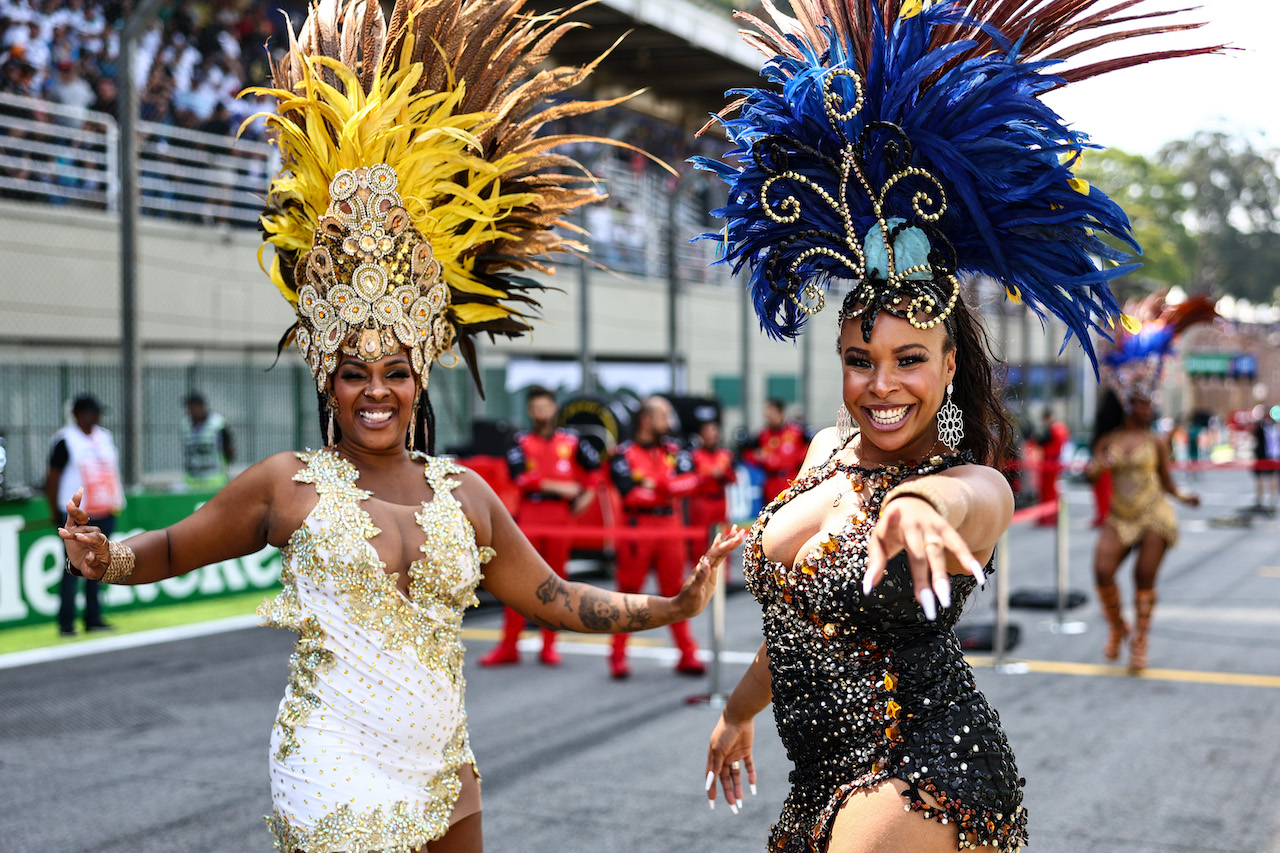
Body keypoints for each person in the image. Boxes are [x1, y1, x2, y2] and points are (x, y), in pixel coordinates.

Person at [58, 3, 746, 851]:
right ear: (329, 379)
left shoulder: (469, 495)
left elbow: (558, 599)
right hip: (328, 763)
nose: (374, 392)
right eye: (354, 373)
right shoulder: (287, 484)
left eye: (394, 372)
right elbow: (176, 547)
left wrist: (669, 603)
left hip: (443, 764)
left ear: (422, 376)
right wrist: (110, 556)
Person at [692, 1, 1220, 849]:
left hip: (923, 776)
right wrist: (733, 713)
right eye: (862, 357)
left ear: (947, 367)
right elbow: (797, 633)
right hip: (818, 780)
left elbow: (954, 501)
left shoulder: (977, 485)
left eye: (909, 359)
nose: (883, 382)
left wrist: (915, 511)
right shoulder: (825, 454)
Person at [479, 385, 601, 667]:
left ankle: (549, 645)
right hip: (530, 516)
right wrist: (560, 487)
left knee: (555, 583)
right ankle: (509, 646)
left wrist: (587, 495)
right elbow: (521, 478)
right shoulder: (519, 441)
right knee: (517, 581)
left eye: (545, 406)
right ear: (529, 411)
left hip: (560, 519)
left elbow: (595, 470)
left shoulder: (572, 441)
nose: (541, 412)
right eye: (536, 408)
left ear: (554, 408)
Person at [1088, 391, 1199, 672]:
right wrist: (1100, 466)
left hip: (1153, 515)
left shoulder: (1156, 442)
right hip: (1120, 516)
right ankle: (1118, 628)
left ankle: (1140, 643)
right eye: (1142, 404)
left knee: (1144, 576)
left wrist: (1187, 497)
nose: (1148, 410)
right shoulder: (1108, 440)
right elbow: (1091, 475)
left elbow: (1169, 483)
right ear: (1128, 406)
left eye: (1150, 404)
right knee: (1102, 571)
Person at [608, 395, 705, 679]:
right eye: (664, 415)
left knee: (677, 591)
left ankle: (687, 654)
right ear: (647, 419)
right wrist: (668, 487)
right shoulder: (623, 453)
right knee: (627, 593)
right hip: (637, 529)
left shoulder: (677, 449)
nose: (670, 422)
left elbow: (691, 482)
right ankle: (617, 657)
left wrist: (659, 485)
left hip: (671, 528)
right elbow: (630, 492)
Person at [46, 393, 122, 636]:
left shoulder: (105, 437)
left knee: (98, 566)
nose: (97, 417)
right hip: (77, 517)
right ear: (79, 414)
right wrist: (54, 511)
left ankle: (93, 618)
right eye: (92, 412)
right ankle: (66, 623)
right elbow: (53, 477)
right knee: (73, 568)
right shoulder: (65, 440)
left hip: (103, 511)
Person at [689, 418, 737, 564]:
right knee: (700, 540)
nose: (712, 434)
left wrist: (723, 473)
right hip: (702, 501)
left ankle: (723, 577)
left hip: (719, 500)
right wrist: (710, 474)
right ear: (701, 435)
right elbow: (691, 479)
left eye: (714, 430)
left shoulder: (725, 455)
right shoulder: (695, 456)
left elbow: (733, 478)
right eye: (708, 431)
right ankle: (698, 572)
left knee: (721, 537)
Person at [741, 398, 807, 503]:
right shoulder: (763, 435)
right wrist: (758, 458)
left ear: (780, 412)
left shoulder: (796, 431)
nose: (768, 417)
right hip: (772, 481)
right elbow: (747, 453)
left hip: (792, 479)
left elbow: (810, 448)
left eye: (771, 413)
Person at [182, 392, 234, 490]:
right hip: (192, 480)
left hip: (214, 480)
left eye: (192, 407)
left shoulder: (218, 423)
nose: (190, 411)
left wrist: (226, 464)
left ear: (201, 406)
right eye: (188, 408)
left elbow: (229, 449)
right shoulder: (185, 424)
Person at [1033, 408, 1069, 525]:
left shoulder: (1052, 429)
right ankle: (1053, 515)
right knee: (1053, 489)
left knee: (1047, 490)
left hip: (1049, 462)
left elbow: (1041, 441)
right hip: (1056, 461)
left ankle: (1047, 517)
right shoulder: (1062, 428)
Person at [1251, 407, 1280, 511]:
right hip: (1271, 456)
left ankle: (1266, 499)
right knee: (1268, 477)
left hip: (1266, 456)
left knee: (1268, 477)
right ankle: (1266, 499)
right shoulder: (1272, 427)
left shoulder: (1264, 427)